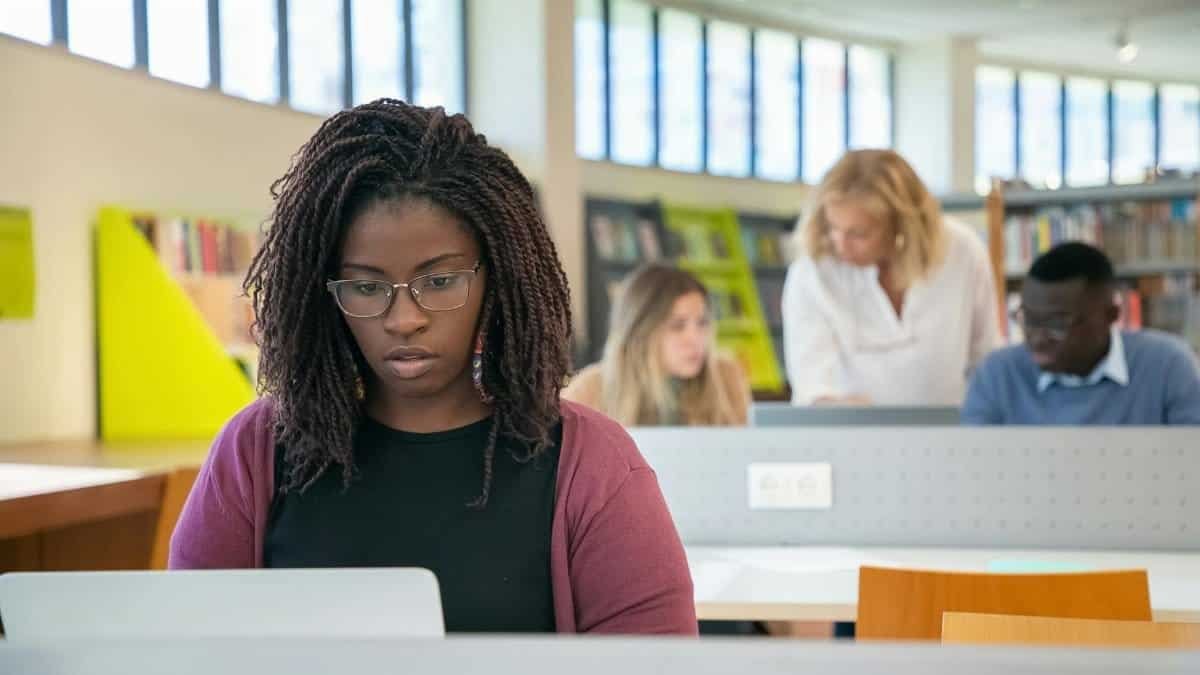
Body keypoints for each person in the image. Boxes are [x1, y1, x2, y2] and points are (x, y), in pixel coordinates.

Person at [169, 99, 697, 635]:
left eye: (440, 281)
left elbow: (659, 662)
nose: (404, 319)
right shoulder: (255, 452)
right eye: (367, 287)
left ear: (497, 278)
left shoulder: (593, 466)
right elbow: (184, 647)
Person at [782, 149, 1002, 406]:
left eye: (859, 234)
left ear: (901, 226)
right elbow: (812, 385)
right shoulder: (812, 272)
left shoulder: (963, 251)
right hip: (850, 429)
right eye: (832, 227)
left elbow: (987, 359)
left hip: (954, 425)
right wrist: (834, 407)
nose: (840, 244)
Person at [963, 242, 1200, 425]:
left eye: (1056, 323)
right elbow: (973, 465)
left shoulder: (1168, 366)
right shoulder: (998, 374)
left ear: (1111, 315)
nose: (1037, 337)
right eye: (1029, 319)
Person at [563, 264, 751, 426]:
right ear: (640, 331)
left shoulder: (726, 377)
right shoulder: (589, 389)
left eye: (702, 323)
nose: (696, 339)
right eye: (677, 326)